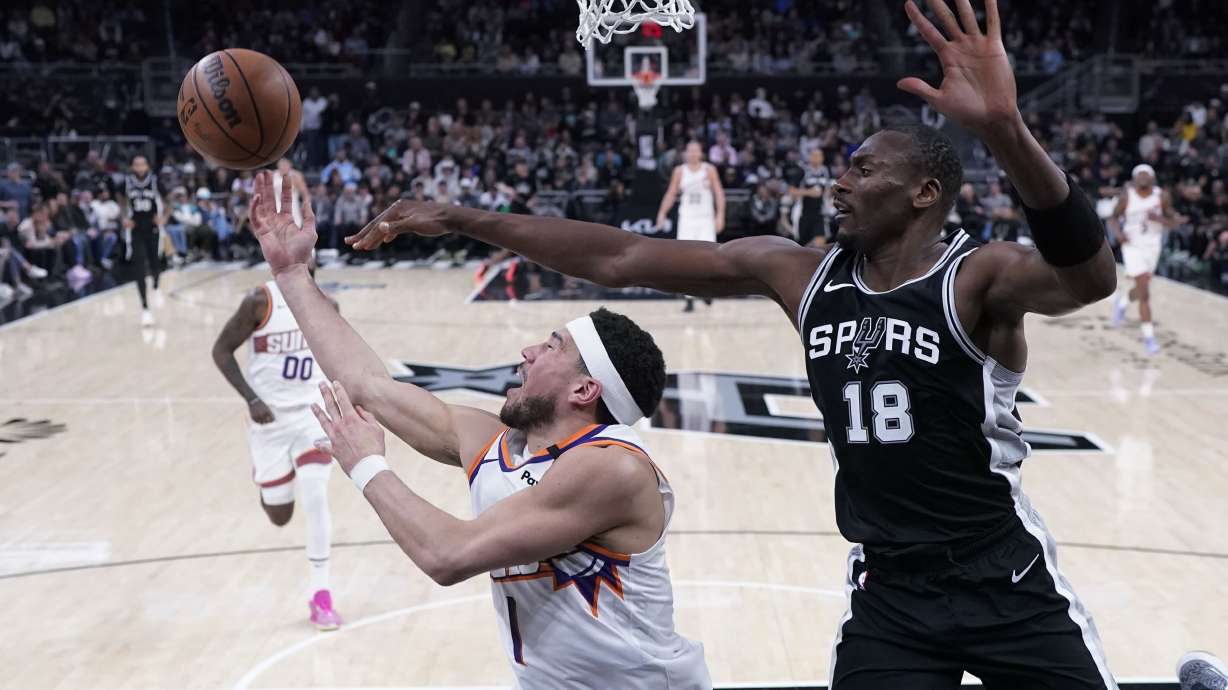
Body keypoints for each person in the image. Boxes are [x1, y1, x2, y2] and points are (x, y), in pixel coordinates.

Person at [350, 1, 1120, 687]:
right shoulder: (801, 274)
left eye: (863, 170)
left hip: (1003, 570)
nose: (838, 183)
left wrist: (1004, 129)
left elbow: (1089, 278)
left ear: (924, 193)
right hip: (890, 586)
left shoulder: (976, 276)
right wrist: (464, 218)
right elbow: (620, 256)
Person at [248, 171, 710, 689]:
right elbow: (367, 385)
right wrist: (291, 272)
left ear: (585, 389)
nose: (527, 352)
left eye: (551, 346)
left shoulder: (612, 468)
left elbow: (448, 556)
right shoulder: (497, 443)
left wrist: (366, 465)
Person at [210, 252, 343, 631]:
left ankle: (321, 593)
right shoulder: (259, 301)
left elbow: (338, 359)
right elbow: (221, 351)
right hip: (269, 419)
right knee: (279, 515)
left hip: (311, 414)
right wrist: (251, 399)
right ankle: (272, 483)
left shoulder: (328, 305)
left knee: (316, 494)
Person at [1109, 164, 1184, 354]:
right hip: (1132, 246)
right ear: (1134, 178)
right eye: (1139, 174)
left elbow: (1174, 223)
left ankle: (1122, 303)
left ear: (1152, 177)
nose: (1143, 177)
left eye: (1146, 174)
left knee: (1141, 288)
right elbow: (1113, 218)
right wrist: (1118, 234)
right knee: (1144, 293)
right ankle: (1149, 338)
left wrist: (1160, 220)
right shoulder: (1127, 196)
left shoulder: (1161, 196)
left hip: (1152, 247)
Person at [655, 140, 725, 312]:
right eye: (690, 150)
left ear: (701, 153)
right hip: (687, 218)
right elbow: (671, 193)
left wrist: (720, 215)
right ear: (685, 153)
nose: (693, 153)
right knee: (685, 259)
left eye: (696, 150)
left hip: (705, 219)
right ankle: (689, 299)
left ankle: (707, 290)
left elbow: (719, 193)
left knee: (709, 257)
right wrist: (662, 213)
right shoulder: (679, 171)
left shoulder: (709, 170)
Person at [121, 155, 165, 326]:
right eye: (136, 164)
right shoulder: (126, 182)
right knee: (139, 267)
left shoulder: (155, 181)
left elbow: (169, 199)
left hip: (152, 227)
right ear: (132, 167)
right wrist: (123, 217)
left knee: (155, 262)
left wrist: (164, 217)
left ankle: (156, 286)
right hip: (135, 228)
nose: (139, 167)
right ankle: (145, 308)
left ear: (147, 166)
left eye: (142, 164)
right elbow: (120, 200)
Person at [272, 157, 312, 229]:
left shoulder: (296, 176)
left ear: (290, 165)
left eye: (285, 164)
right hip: (276, 212)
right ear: (278, 165)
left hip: (293, 211)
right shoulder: (273, 175)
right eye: (281, 164)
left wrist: (306, 207)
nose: (283, 167)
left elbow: (305, 194)